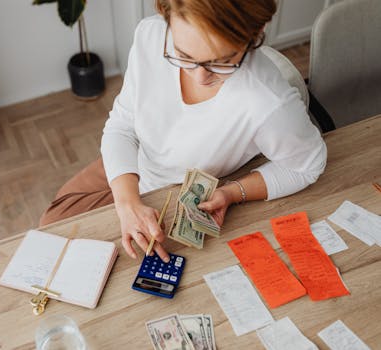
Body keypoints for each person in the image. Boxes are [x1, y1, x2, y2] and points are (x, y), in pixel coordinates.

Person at [40, 0, 327, 264]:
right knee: (50, 226)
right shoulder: (150, 35)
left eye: (223, 61)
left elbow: (307, 166)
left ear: (256, 32)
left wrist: (232, 193)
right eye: (183, 55)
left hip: (170, 194)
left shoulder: (267, 101)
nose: (200, 76)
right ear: (166, 16)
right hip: (134, 159)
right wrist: (127, 203)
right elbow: (122, 125)